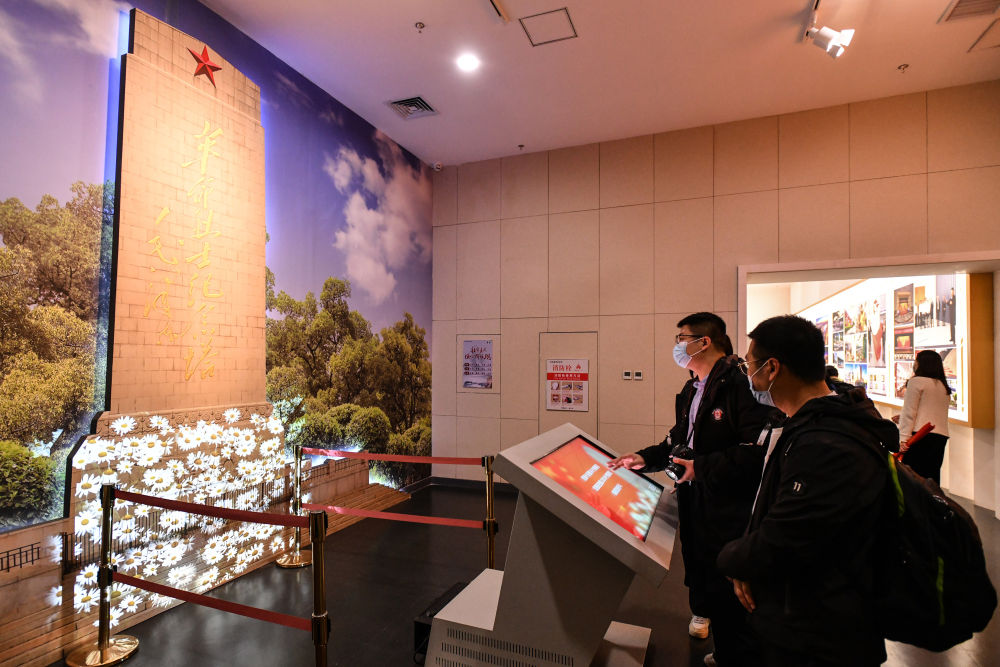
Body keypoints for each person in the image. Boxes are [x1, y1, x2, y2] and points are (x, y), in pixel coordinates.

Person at [717, 315, 897, 667]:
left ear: (772, 368)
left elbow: (789, 536)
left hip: (822, 633)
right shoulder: (809, 423)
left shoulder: (826, 443)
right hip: (805, 617)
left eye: (749, 366)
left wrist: (730, 558)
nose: (747, 376)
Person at [609, 312, 778, 666]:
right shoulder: (692, 389)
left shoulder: (739, 386)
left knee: (730, 588)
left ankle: (736, 654)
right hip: (695, 501)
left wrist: (700, 468)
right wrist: (643, 458)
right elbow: (678, 442)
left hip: (727, 508)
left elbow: (756, 452)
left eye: (681, 339)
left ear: (704, 342)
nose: (677, 346)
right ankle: (724, 646)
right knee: (703, 574)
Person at [893, 349, 951, 483]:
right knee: (931, 479)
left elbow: (909, 413)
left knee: (913, 479)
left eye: (916, 361)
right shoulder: (942, 385)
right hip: (939, 437)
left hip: (919, 437)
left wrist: (903, 439)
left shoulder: (916, 382)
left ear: (921, 364)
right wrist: (902, 417)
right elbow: (930, 411)